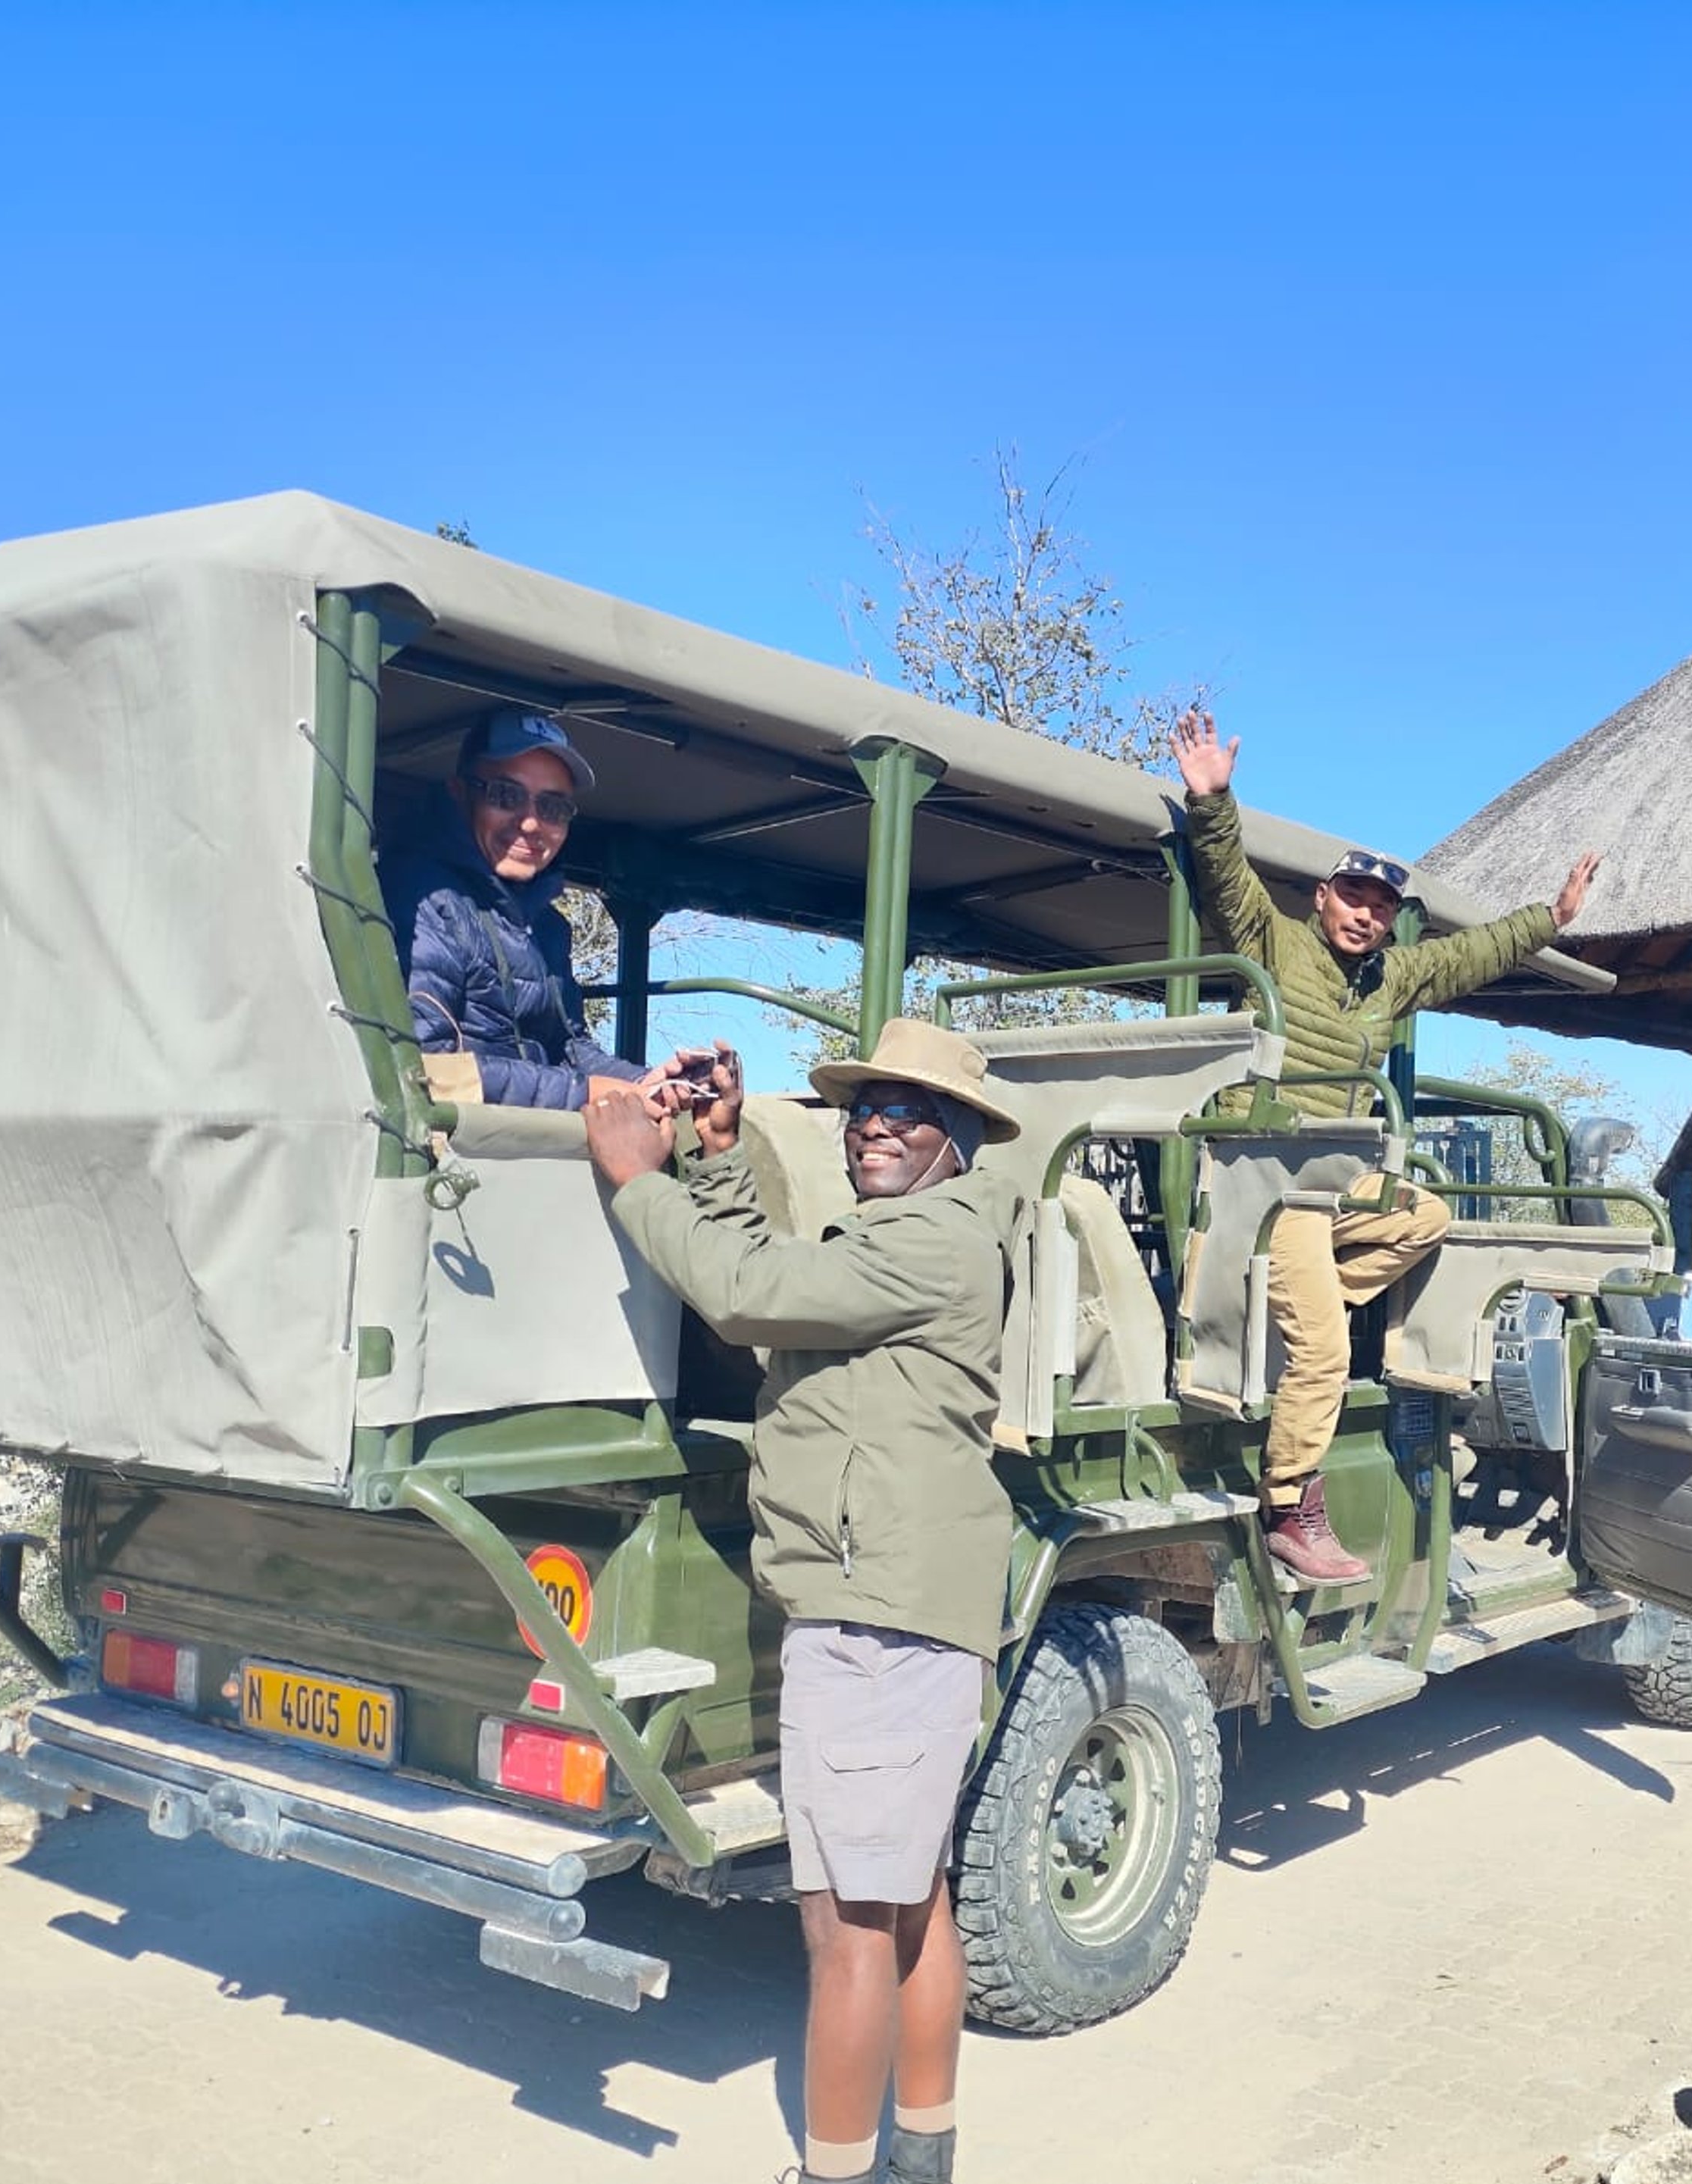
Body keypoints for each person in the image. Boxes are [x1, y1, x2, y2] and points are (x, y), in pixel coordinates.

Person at [587, 1018, 1021, 2184]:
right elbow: (781, 1289)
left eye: (912, 1110)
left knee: (845, 1926)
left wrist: (639, 1177)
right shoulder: (912, 1232)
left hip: (874, 1611)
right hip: (899, 1599)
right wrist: (721, 1158)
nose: (878, 1123)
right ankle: (919, 2154)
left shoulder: (928, 1241)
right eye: (863, 1105)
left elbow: (745, 1292)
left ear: (964, 1139)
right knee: (909, 1895)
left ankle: (837, 2174)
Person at [1169, 709, 1601, 1583]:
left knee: (1427, 1214)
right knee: (1326, 1351)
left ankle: (1293, 1304)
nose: (1366, 916)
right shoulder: (1276, 941)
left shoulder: (1395, 977)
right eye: (1354, 898)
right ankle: (1290, 1501)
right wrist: (1214, 801)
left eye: (1382, 908)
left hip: (1342, 1190)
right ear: (1322, 899)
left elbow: (1473, 955)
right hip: (1273, 1187)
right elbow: (1226, 882)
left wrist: (1547, 919)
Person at [383, 709, 657, 1109]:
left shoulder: (547, 927)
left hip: (520, 1142)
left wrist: (649, 1082)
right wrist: (585, 1092)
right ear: (461, 794)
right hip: (454, 1151)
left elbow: (569, 1046)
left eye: (553, 807)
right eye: (505, 796)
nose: (531, 824)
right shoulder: (420, 896)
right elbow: (425, 1069)